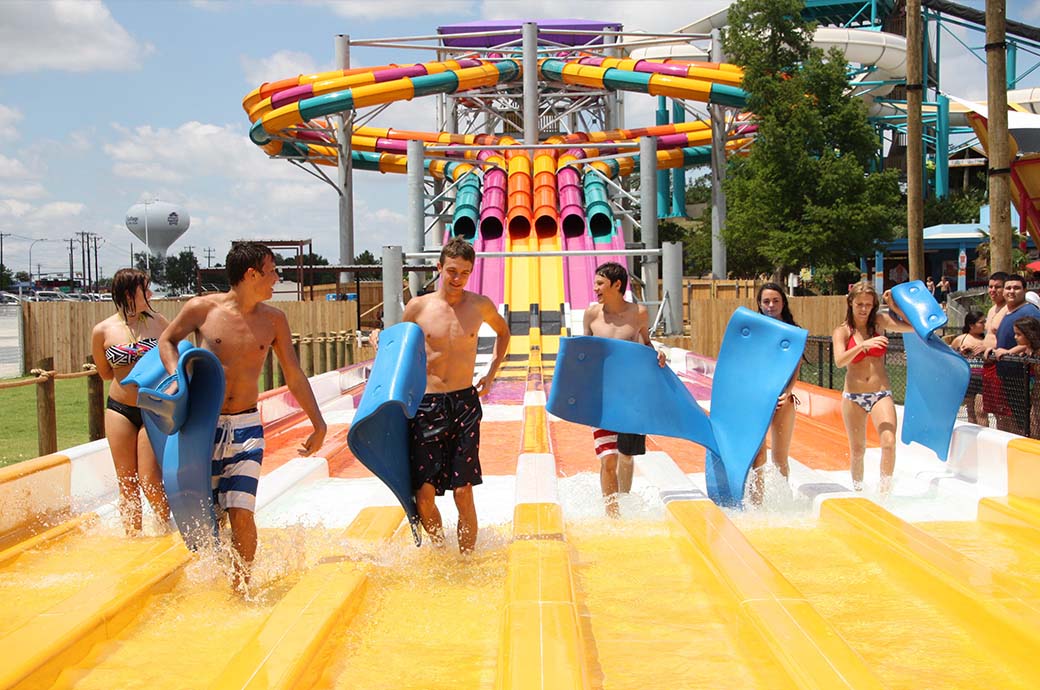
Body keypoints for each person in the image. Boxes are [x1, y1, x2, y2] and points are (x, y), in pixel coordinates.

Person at [158, 242, 327, 591]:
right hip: (203, 427)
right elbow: (167, 340)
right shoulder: (202, 309)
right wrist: (176, 377)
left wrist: (318, 423)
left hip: (247, 427)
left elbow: (293, 374)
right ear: (251, 274)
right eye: (272, 271)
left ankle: (242, 589)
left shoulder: (274, 320)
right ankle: (220, 580)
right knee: (213, 517)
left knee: (241, 511)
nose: (276, 278)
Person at [372, 238, 510, 553]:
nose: (458, 278)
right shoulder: (418, 307)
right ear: (439, 268)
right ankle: (441, 552)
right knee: (424, 496)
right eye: (452, 271)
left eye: (465, 272)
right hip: (427, 405)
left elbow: (503, 332)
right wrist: (377, 339)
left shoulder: (480, 305)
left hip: (464, 404)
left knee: (463, 491)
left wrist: (491, 371)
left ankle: (466, 560)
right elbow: (397, 345)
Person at [91, 269, 171, 536]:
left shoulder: (159, 323)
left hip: (151, 408)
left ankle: (164, 531)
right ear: (128, 294)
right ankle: (132, 538)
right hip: (120, 408)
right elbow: (105, 373)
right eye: (145, 290)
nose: (150, 294)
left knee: (150, 480)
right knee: (126, 482)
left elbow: (175, 358)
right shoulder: (102, 331)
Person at [583, 261, 667, 518]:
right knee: (608, 457)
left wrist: (657, 354)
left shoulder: (638, 313)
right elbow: (583, 353)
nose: (595, 288)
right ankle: (612, 515)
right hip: (602, 397)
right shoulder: (592, 315)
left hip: (633, 396)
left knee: (627, 455)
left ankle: (625, 502)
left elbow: (645, 344)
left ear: (616, 284)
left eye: (600, 283)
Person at [832, 281, 914, 495]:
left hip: (880, 392)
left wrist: (893, 307)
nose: (864, 309)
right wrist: (862, 345)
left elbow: (912, 327)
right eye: (859, 304)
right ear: (850, 303)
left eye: (868, 304)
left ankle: (884, 493)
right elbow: (839, 361)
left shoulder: (879, 322)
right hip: (854, 396)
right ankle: (858, 491)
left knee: (888, 442)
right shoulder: (842, 331)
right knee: (858, 450)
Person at [747, 283, 803, 506]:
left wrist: (787, 393)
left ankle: (782, 504)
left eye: (775, 301)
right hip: (757, 398)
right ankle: (757, 503)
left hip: (783, 398)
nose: (771, 305)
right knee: (758, 456)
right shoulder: (753, 331)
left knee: (780, 457)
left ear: (783, 303)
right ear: (760, 305)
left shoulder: (794, 332)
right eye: (766, 301)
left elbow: (795, 368)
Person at [989, 275, 1040, 436]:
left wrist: (1009, 352)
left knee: (1031, 420)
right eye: (1008, 288)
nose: (1011, 291)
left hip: (1024, 376)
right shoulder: (1007, 311)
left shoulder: (1029, 311)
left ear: (1025, 290)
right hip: (1008, 375)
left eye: (1016, 288)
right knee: (1017, 420)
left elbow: (1034, 340)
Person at [982, 272, 1011, 427]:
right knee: (994, 411)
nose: (992, 290)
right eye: (990, 286)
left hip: (1002, 364)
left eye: (997, 287)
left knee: (1006, 412)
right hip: (988, 364)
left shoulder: (1010, 309)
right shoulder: (992, 309)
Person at [950, 311, 987, 426]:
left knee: (981, 410)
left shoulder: (986, 340)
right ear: (971, 325)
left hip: (983, 379)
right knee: (970, 410)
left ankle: (984, 433)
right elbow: (950, 357)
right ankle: (972, 434)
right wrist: (960, 352)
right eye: (981, 322)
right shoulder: (960, 339)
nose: (984, 325)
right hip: (968, 379)